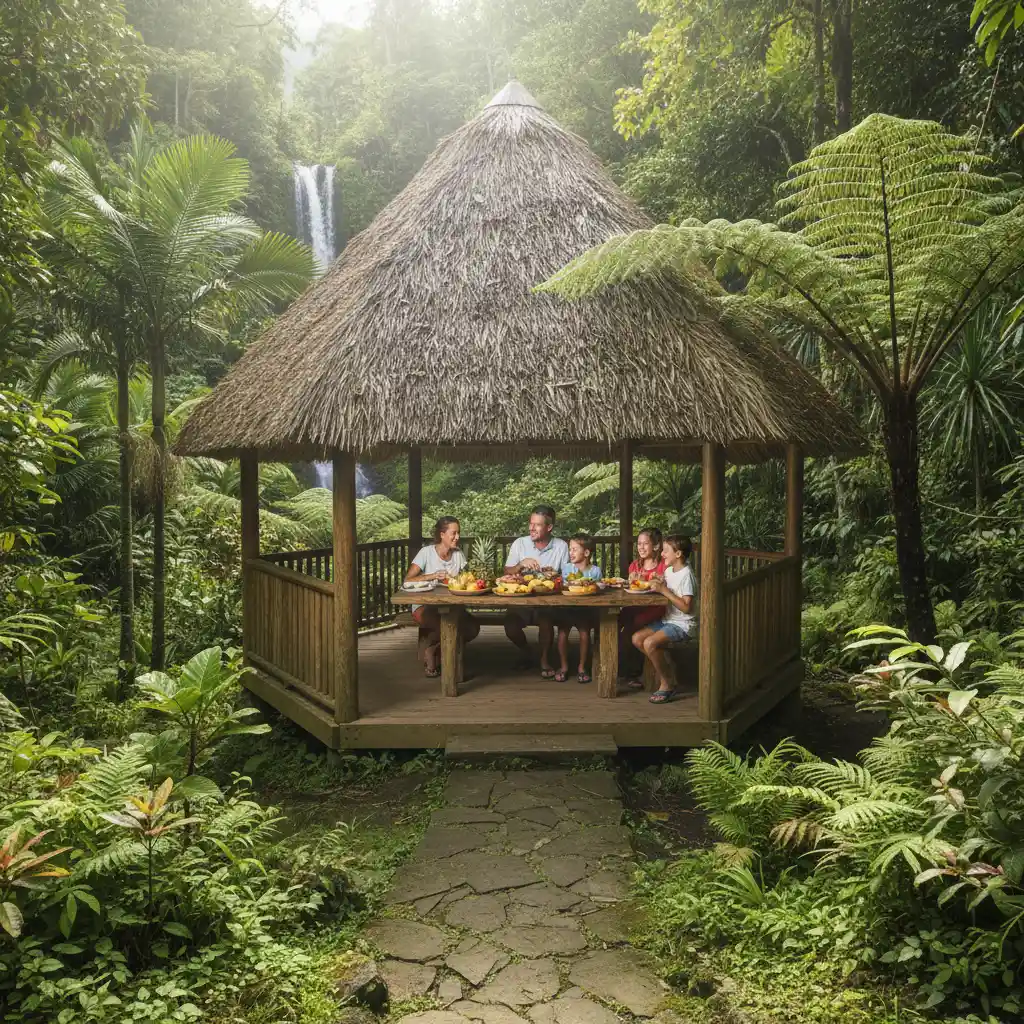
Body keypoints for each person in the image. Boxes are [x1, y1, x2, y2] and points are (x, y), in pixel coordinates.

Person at [405, 516, 480, 677]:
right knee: (450, 627)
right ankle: (448, 668)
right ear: (442, 535)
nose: (457, 537)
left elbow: (466, 579)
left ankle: (433, 648)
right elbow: (408, 580)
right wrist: (431, 575)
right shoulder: (426, 553)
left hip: (453, 606)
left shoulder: (458, 554)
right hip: (425, 606)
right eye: (454, 533)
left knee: (473, 628)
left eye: (458, 533)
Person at [502, 505, 569, 677]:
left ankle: (544, 659)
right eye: (531, 523)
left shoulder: (561, 546)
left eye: (537, 525)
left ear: (549, 527)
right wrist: (520, 565)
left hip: (547, 601)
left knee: (546, 621)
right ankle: (526, 650)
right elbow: (507, 571)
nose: (531, 528)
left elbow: (567, 577)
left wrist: (552, 575)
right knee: (510, 625)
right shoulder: (520, 544)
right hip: (521, 600)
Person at [631, 535, 698, 704]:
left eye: (666, 551)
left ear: (678, 554)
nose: (662, 554)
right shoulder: (669, 571)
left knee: (649, 643)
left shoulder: (687, 575)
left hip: (683, 624)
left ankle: (667, 683)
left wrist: (664, 590)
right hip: (668, 620)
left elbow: (686, 607)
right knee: (637, 638)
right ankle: (667, 668)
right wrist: (653, 581)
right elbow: (662, 586)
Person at [552, 533, 602, 683]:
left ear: (586, 553)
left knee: (584, 634)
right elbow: (565, 586)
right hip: (567, 608)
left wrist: (596, 586)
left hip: (585, 610)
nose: (571, 553)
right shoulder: (567, 568)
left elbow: (597, 588)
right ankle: (564, 666)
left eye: (574, 549)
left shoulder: (595, 571)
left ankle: (581, 667)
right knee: (562, 634)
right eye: (570, 549)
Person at [621, 527, 666, 690]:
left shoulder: (663, 566)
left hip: (656, 608)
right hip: (637, 605)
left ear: (655, 546)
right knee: (618, 619)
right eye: (639, 544)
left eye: (645, 544)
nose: (640, 547)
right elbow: (632, 589)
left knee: (632, 628)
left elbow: (665, 590)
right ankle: (616, 664)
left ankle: (633, 673)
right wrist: (632, 581)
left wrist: (659, 581)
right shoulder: (635, 566)